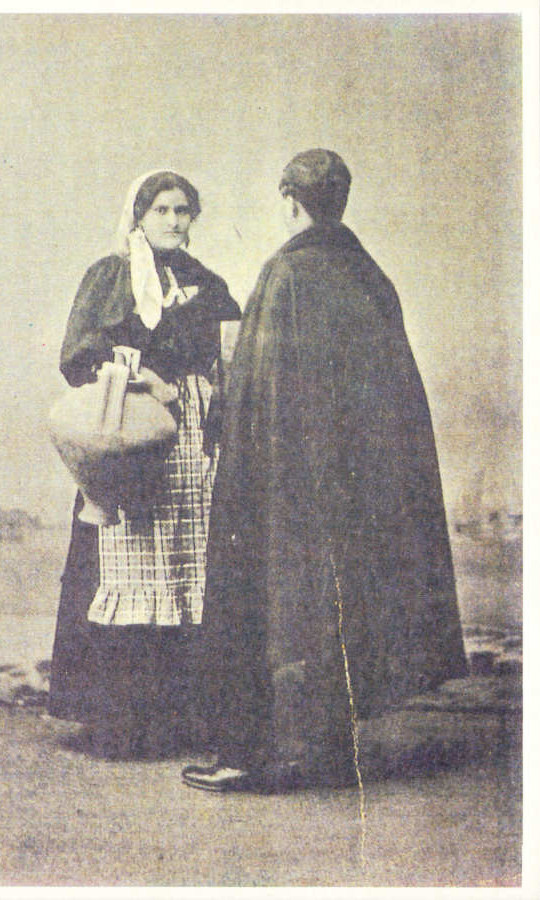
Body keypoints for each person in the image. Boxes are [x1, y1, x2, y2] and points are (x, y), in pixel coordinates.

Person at [181, 149, 467, 793]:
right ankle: (331, 749)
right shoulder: (370, 274)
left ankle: (256, 756)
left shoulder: (285, 273)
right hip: (358, 487)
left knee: (270, 600)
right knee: (335, 605)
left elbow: (255, 388)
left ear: (290, 200)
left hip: (289, 480)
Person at [48, 169, 241, 758]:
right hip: (131, 437)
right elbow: (78, 357)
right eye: (162, 210)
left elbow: (228, 350)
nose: (175, 221)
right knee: (126, 557)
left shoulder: (205, 281)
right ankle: (121, 720)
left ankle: (182, 716)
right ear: (138, 215)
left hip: (192, 440)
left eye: (183, 211)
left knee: (186, 565)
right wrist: (144, 377)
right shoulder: (111, 277)